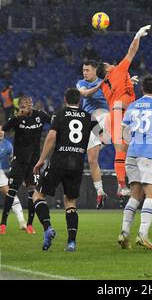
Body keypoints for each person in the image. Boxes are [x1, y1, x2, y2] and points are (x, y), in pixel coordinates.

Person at [32, 88, 100, 252]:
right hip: (77, 163)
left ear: (65, 99)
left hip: (59, 161)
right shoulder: (89, 117)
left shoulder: (59, 114)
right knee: (70, 202)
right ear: (80, 101)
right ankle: (71, 242)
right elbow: (103, 136)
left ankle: (47, 227)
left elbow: (51, 137)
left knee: (38, 195)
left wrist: (41, 160)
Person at [96, 25, 151, 198]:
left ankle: (137, 183)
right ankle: (125, 185)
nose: (111, 64)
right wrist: (137, 35)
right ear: (106, 69)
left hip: (117, 114)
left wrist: (128, 81)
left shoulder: (104, 84)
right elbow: (131, 51)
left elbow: (119, 89)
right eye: (108, 64)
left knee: (127, 149)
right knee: (127, 148)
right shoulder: (118, 70)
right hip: (123, 114)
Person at [117, 75, 152, 250]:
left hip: (132, 153)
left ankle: (124, 232)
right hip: (148, 155)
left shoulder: (132, 106)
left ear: (142, 89)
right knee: (151, 195)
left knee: (135, 195)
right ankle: (143, 235)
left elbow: (123, 133)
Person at [0, 95, 51, 235]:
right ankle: (3, 224)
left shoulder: (40, 115)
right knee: (12, 190)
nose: (28, 105)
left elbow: (53, 122)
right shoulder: (17, 118)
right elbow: (4, 128)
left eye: (30, 103)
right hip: (19, 160)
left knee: (32, 191)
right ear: (20, 106)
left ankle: (30, 224)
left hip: (34, 161)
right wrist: (16, 116)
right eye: (25, 103)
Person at [76, 60, 109, 208]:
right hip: (88, 122)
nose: (84, 73)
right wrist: (99, 86)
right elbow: (85, 93)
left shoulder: (105, 82)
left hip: (103, 116)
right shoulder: (82, 83)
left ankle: (123, 185)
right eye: (83, 70)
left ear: (95, 70)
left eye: (87, 70)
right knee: (91, 160)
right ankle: (100, 192)